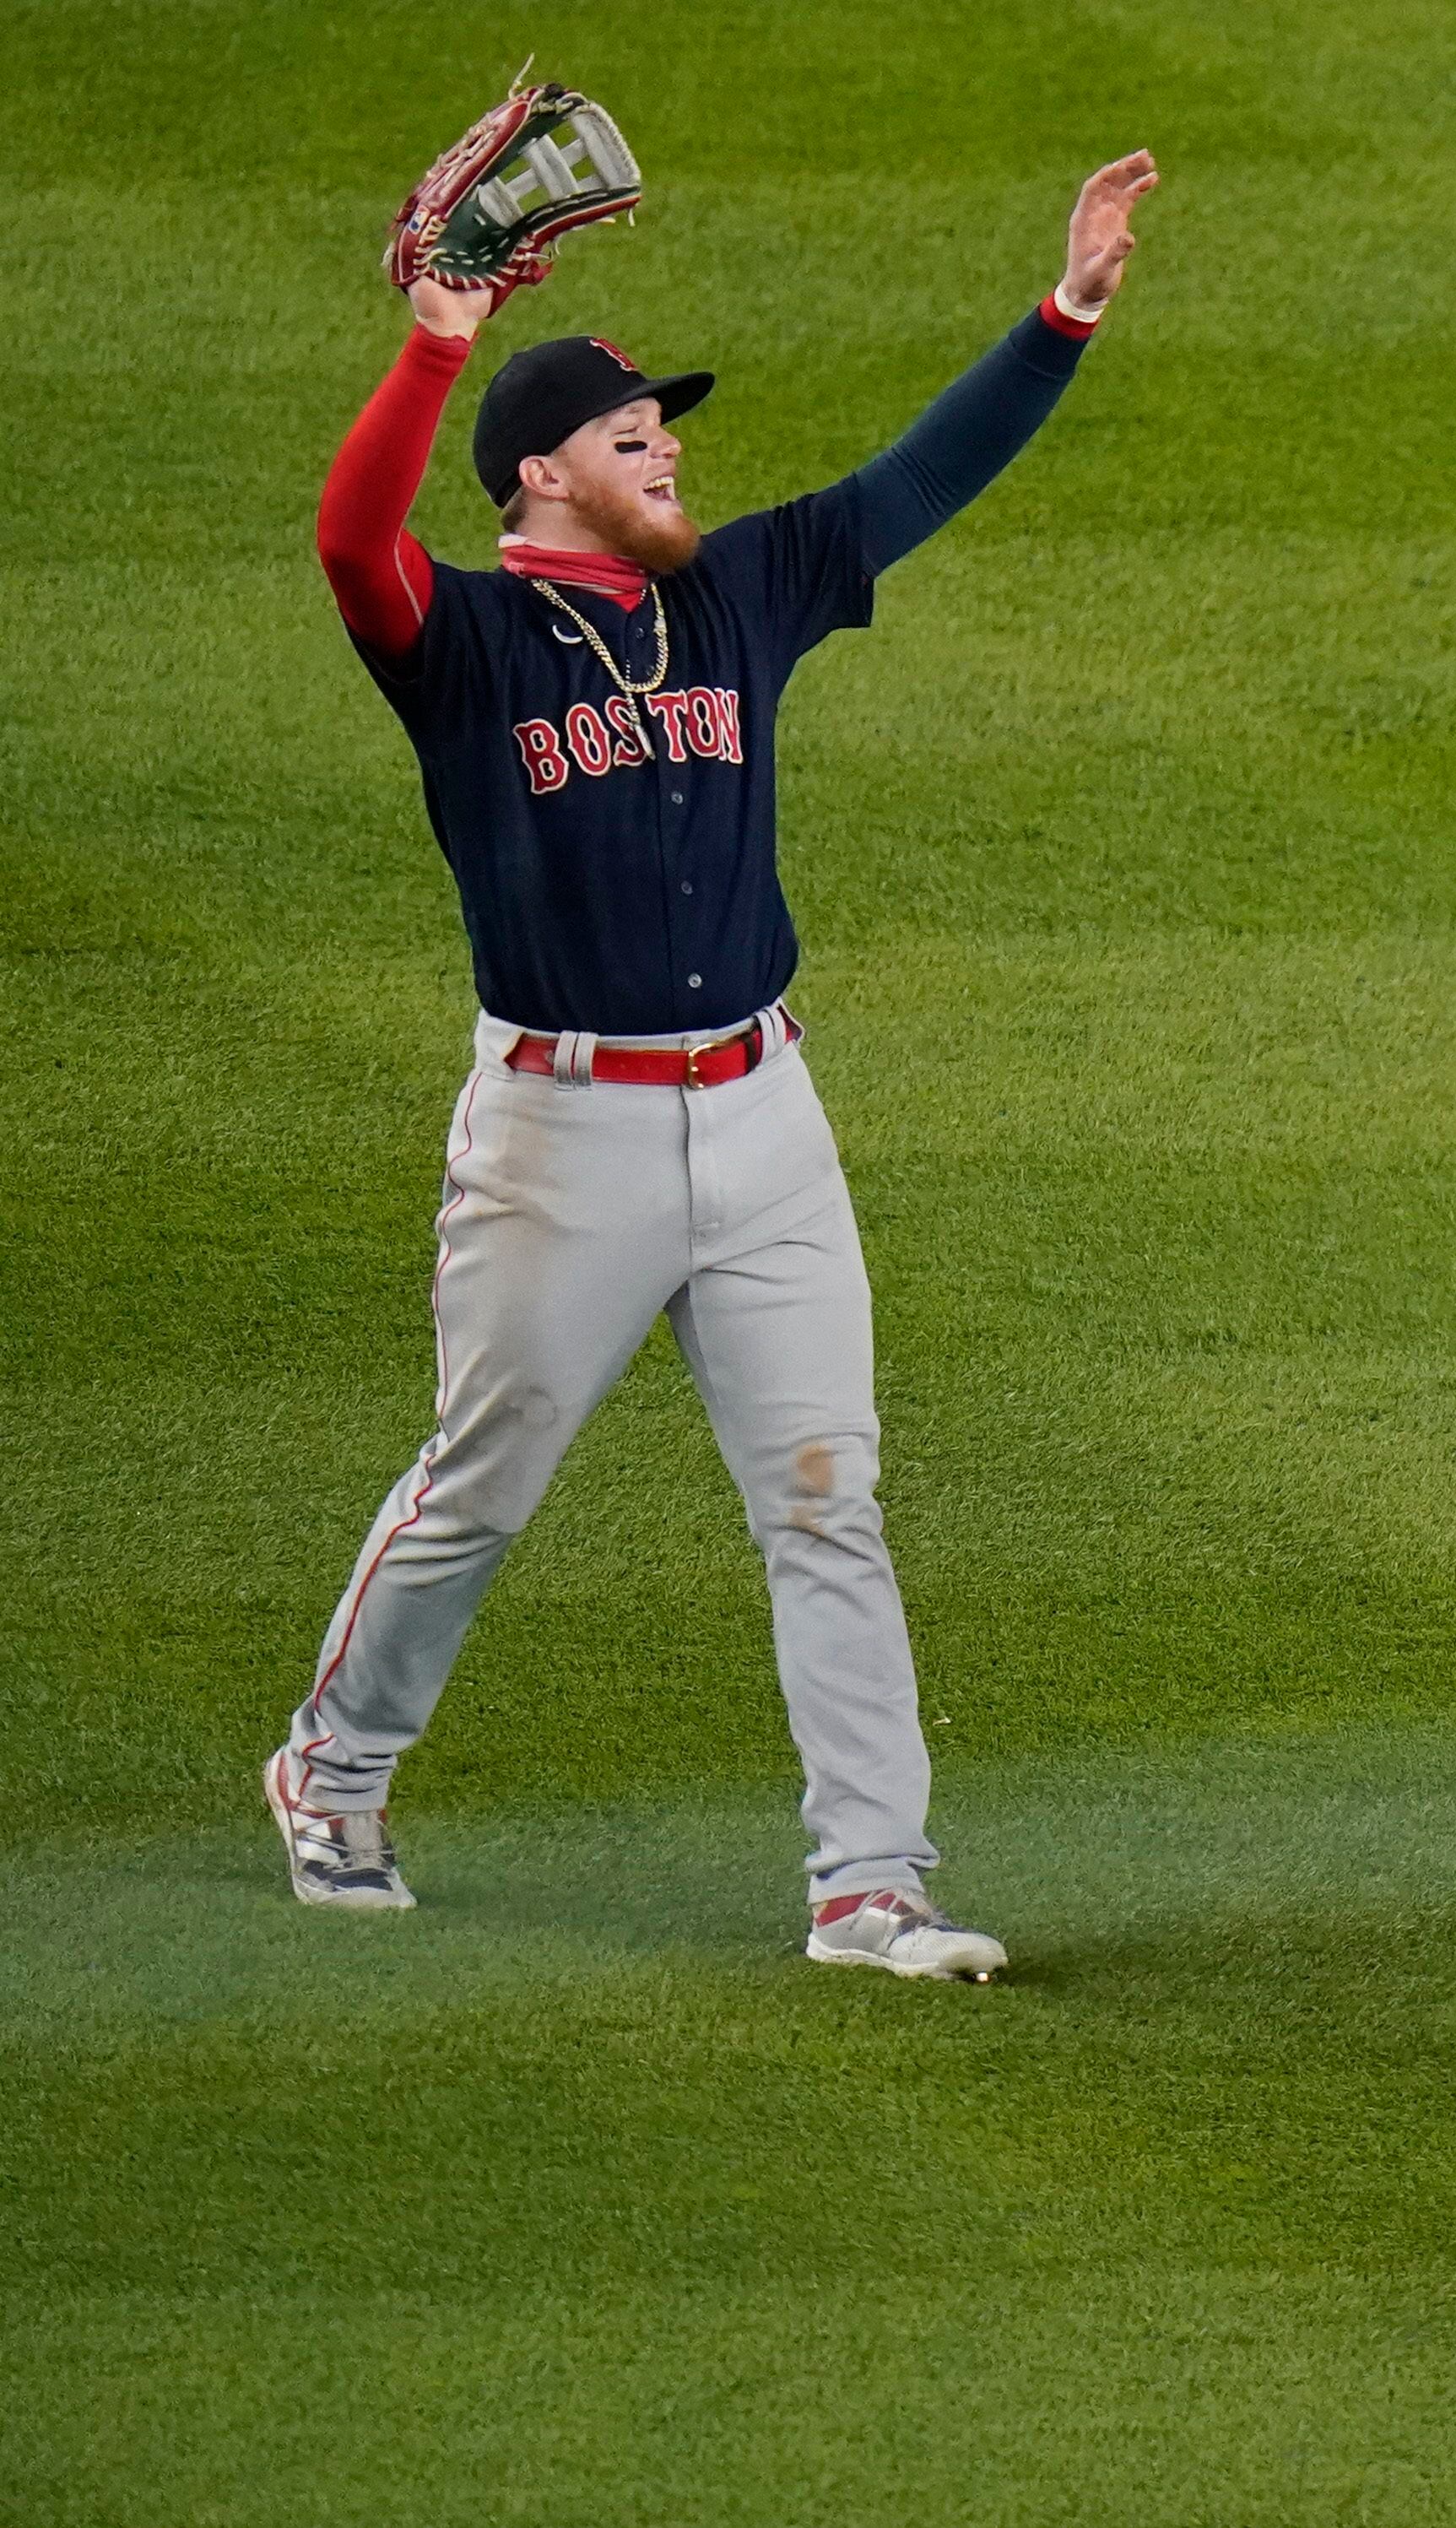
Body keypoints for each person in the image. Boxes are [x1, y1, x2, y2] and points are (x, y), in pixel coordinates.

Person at [268, 149, 1165, 1981]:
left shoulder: (746, 592)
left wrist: (1063, 306)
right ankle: (334, 1765)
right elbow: (351, 542)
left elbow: (924, 476)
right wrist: (441, 340)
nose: (668, 448)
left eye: (665, 429)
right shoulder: (472, 644)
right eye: (628, 432)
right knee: (479, 1487)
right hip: (556, 1137)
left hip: (764, 1115)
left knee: (828, 1493)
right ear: (541, 471)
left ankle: (869, 1883)